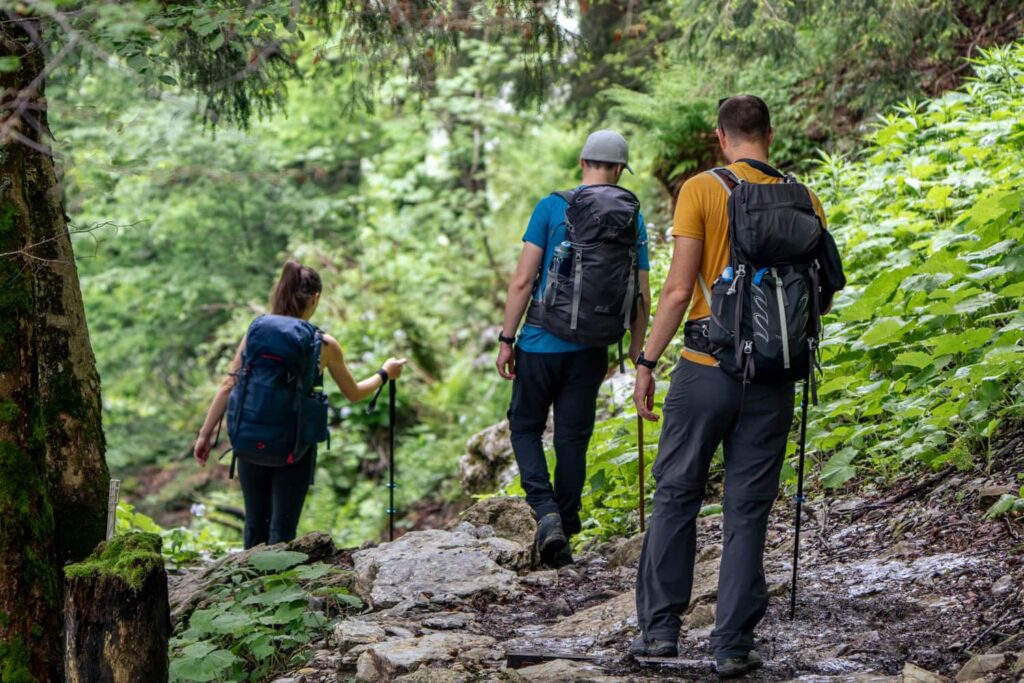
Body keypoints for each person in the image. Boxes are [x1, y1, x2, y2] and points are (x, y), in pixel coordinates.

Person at [629, 96, 828, 677]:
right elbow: (822, 292)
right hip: (772, 378)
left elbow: (675, 289)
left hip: (705, 369)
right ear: (770, 133)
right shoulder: (805, 197)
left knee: (676, 496)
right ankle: (732, 645)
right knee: (748, 510)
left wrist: (646, 361)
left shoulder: (700, 190)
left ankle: (660, 633)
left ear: (721, 136)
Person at [496, 129, 652, 567]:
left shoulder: (551, 206)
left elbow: (524, 280)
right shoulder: (631, 216)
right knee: (572, 437)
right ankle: (565, 522)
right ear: (620, 170)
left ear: (583, 162)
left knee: (525, 426)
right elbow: (642, 296)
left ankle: (545, 512)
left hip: (541, 343)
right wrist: (641, 357)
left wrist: (508, 339)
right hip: (592, 348)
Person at [194, 260, 406, 548]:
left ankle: (247, 586)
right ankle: (278, 583)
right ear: (315, 298)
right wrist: (385, 373)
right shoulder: (324, 344)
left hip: (248, 442)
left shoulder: (255, 332)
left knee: (254, 525)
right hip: (293, 448)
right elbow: (354, 393)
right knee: (282, 531)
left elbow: (228, 385)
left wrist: (205, 434)